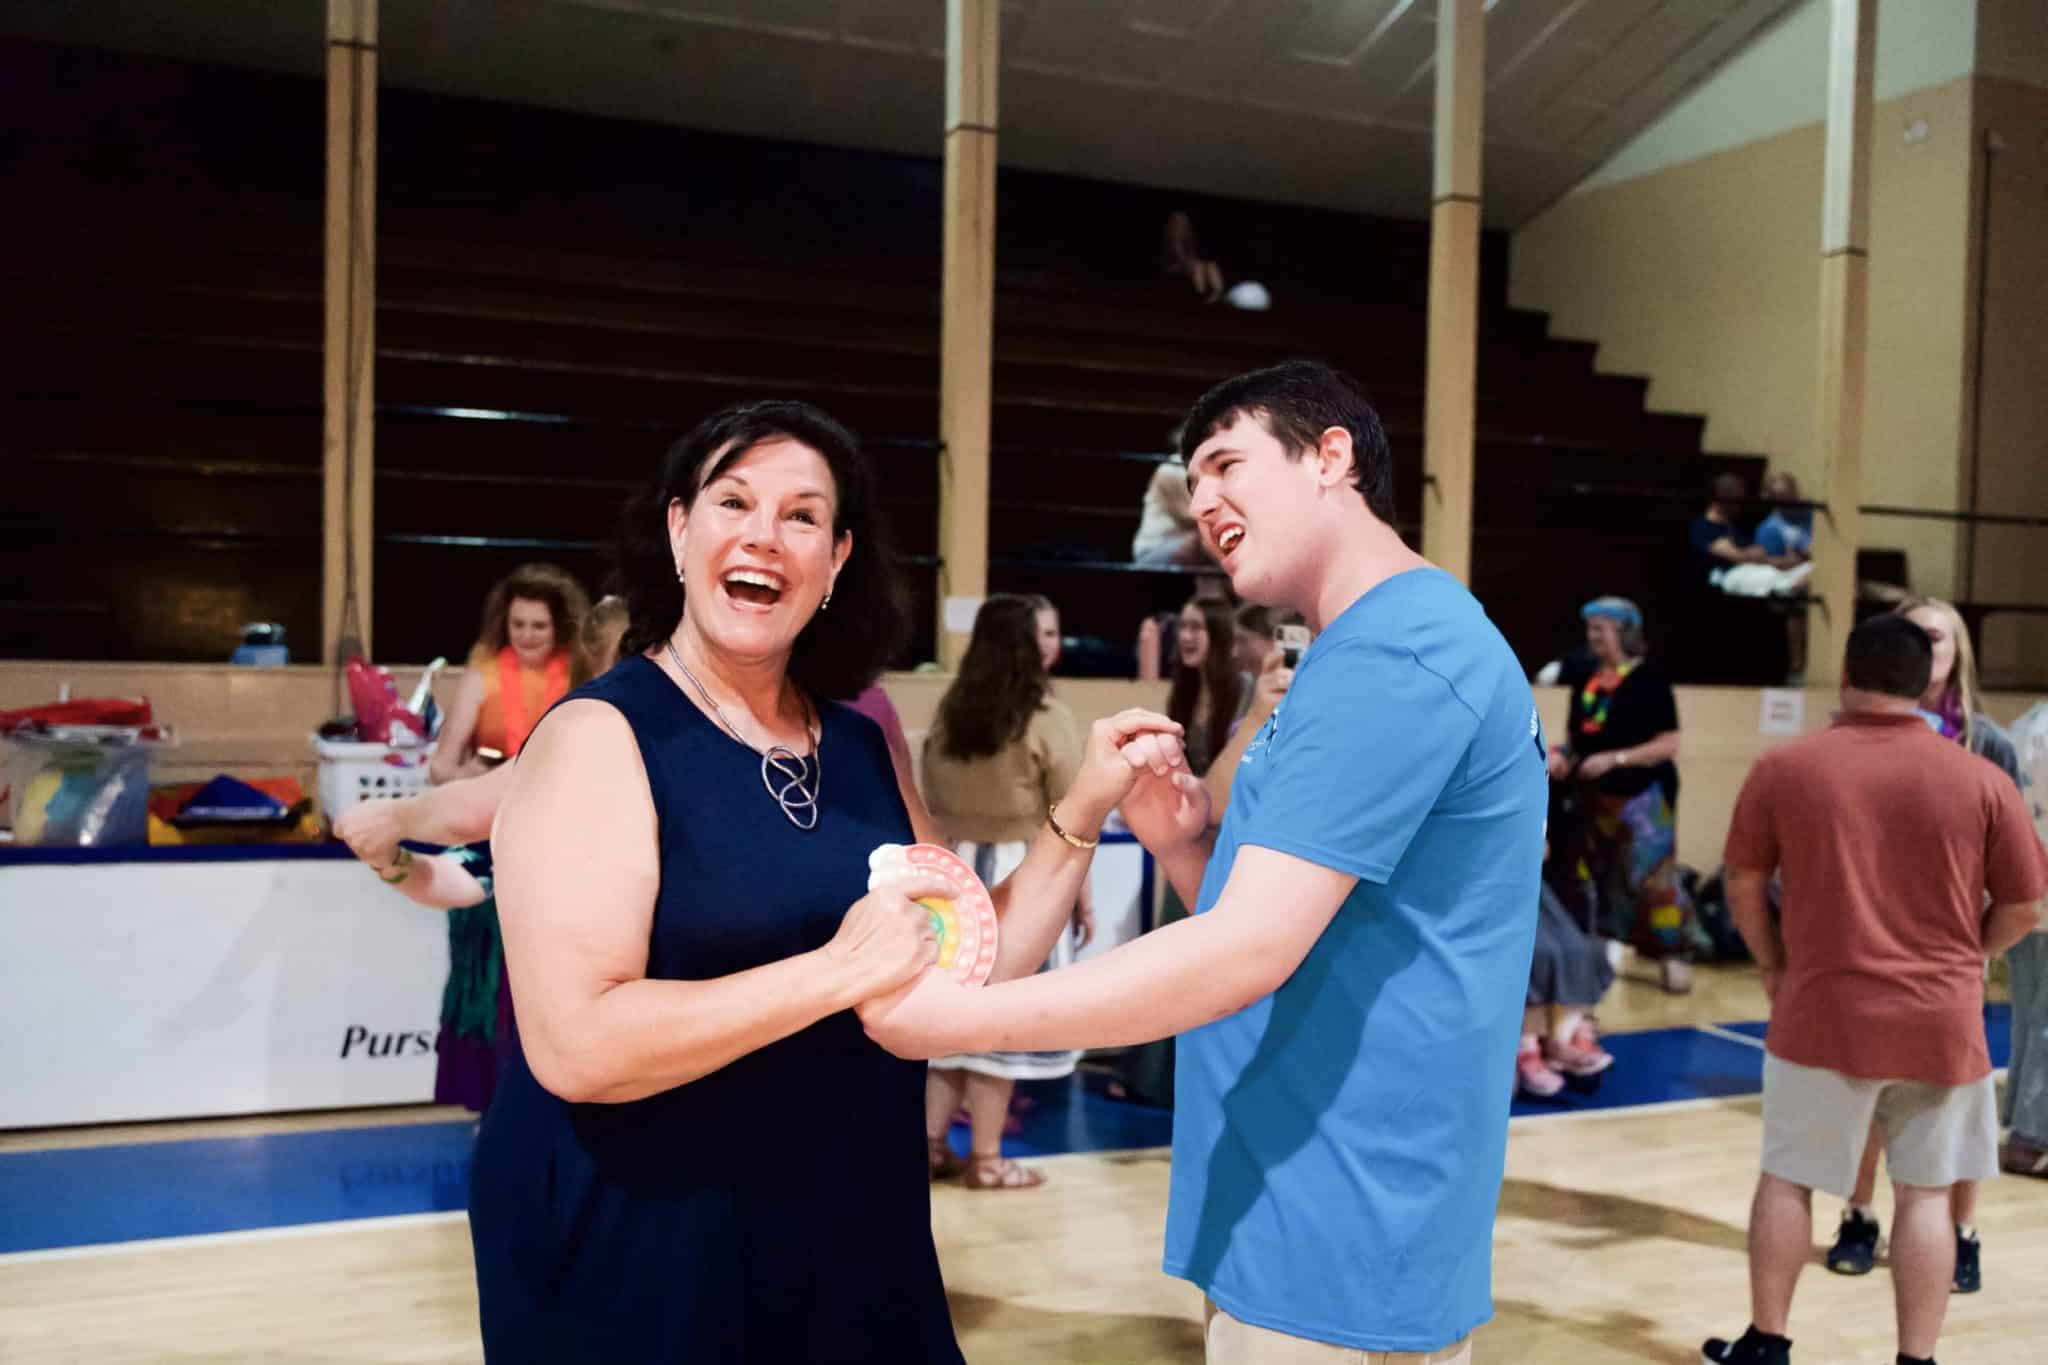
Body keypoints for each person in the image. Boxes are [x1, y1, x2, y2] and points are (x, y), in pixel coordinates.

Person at [861, 360, 1549, 1364]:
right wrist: (1183, 838)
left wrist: (955, 1019)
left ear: (1330, 457)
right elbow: (1300, 928)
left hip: (1342, 1203)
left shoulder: (1400, 652)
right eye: (1196, 478)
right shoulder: (1348, 652)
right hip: (1299, 1179)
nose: (1204, 501)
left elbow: (1244, 951)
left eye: (1226, 462)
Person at [466, 399, 1178, 1362]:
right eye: (733, 501)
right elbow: (579, 1046)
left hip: (850, 1228)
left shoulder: (856, 743)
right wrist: (835, 973)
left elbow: (966, 956)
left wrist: (1084, 806)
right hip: (650, 1244)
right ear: (680, 531)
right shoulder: (602, 735)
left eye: (802, 515)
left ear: (837, 559)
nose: (765, 534)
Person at [1703, 614, 2045, 1365]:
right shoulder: (1982, 777)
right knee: (1925, 1196)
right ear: (1925, 681)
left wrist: (1771, 964)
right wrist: (1966, 957)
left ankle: (1768, 1343)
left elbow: (1742, 880)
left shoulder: (1785, 768)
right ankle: (1915, 1359)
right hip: (1941, 1022)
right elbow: (2025, 905)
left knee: (1789, 1180)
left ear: (1847, 675)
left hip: (1820, 1012)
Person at [332, 599, 632, 1114]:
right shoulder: (561, 764)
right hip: (570, 1043)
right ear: (597, 675)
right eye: (629, 662)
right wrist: (391, 855)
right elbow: (460, 872)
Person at [1825, 595, 2027, 1289]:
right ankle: (1858, 1213)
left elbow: (2016, 862)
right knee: (1866, 1094)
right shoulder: (1851, 731)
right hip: (1868, 944)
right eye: (1912, 635)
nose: (1923, 646)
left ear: (1958, 652)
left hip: (1951, 949)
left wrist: (1981, 946)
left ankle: (1962, 1232)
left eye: (1936, 637)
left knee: (1958, 1105)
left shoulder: (1986, 741)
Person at [919, 596, 1095, 1190]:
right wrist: (1081, 899)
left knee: (950, 1029)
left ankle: (931, 1145)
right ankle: (988, 1159)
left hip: (956, 875)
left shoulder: (952, 710)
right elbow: (1074, 814)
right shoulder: (1045, 714)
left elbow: (931, 793)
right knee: (1000, 1025)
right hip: (1026, 874)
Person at [1109, 595, 1254, 1108]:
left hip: (1223, 843)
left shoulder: (1247, 697)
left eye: (1198, 627)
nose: (1187, 636)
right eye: (1183, 626)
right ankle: (1158, 1080)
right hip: (1185, 838)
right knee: (1170, 952)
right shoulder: (1187, 692)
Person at [1545, 597, 1693, 994]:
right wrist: (1562, 755)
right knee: (1603, 877)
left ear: (1625, 632)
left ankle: (1674, 952)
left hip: (1643, 797)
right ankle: (1607, 951)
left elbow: (1668, 742)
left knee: (1655, 880)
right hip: (1595, 797)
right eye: (1590, 629)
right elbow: (1580, 737)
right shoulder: (1586, 677)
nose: (1593, 637)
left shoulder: (1651, 679)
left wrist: (1617, 759)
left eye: (1601, 629)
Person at [430, 563, 594, 784]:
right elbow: (440, 769)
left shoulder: (581, 675)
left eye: (539, 626)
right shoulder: (481, 677)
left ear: (560, 627)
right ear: (504, 624)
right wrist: (468, 776)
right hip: (488, 801)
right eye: (518, 624)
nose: (527, 635)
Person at [1517, 839, 1617, 1100]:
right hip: (1490, 884)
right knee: (1538, 953)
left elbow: (1544, 849)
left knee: (1584, 950)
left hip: (1530, 884)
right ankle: (1526, 1046)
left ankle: (1565, 1037)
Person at [1690, 474, 1809, 596]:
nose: (1741, 503)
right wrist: (1778, 561)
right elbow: (1738, 556)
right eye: (1736, 498)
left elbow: (1758, 552)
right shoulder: (1703, 527)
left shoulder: (1735, 525)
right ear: (1721, 497)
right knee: (1783, 579)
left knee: (1807, 570)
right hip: (1730, 576)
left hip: (1754, 569)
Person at [1162, 209, 1225, 303]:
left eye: (1183, 222)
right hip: (1175, 266)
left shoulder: (1189, 238)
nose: (1181, 224)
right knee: (1198, 266)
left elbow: (1194, 255)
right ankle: (1201, 295)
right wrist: (1192, 262)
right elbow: (1176, 259)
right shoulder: (1170, 238)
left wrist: (1198, 262)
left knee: (1211, 265)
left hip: (1190, 264)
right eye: (1178, 221)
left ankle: (1218, 292)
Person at [1754, 472, 1814, 560]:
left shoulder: (1814, 514)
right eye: (1780, 496)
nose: (1788, 500)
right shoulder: (1769, 528)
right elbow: (1767, 562)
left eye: (1790, 493)